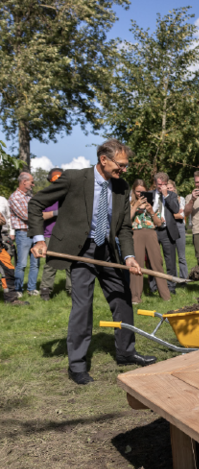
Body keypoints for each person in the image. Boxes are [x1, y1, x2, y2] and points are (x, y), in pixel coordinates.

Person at [29, 139, 157, 384]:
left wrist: (129, 257)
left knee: (122, 298)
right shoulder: (75, 178)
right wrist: (38, 239)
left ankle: (126, 352)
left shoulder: (121, 186)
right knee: (82, 306)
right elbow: (36, 203)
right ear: (103, 160)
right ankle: (76, 365)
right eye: (121, 165)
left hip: (107, 250)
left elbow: (124, 228)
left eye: (126, 165)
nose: (124, 169)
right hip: (80, 251)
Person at [129, 180, 171, 304]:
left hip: (151, 233)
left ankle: (165, 296)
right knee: (137, 265)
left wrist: (151, 211)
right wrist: (136, 206)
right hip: (136, 233)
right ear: (134, 191)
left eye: (143, 191)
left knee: (157, 263)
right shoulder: (130, 204)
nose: (140, 193)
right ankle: (135, 297)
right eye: (138, 191)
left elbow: (159, 223)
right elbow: (126, 220)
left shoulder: (152, 203)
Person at [40, 168, 73, 300]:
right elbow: (39, 215)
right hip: (50, 234)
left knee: (71, 263)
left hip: (69, 234)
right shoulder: (45, 195)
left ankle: (72, 289)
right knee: (50, 264)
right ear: (50, 181)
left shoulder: (70, 195)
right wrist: (55, 213)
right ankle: (45, 290)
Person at [9, 172, 40, 296]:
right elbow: (26, 216)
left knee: (35, 263)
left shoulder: (28, 196)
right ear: (24, 182)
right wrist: (40, 216)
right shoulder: (15, 197)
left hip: (34, 232)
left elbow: (36, 211)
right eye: (31, 182)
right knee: (21, 264)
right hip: (23, 234)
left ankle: (31, 289)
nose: (33, 184)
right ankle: (18, 290)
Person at [151, 173, 181, 296]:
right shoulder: (150, 194)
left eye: (164, 184)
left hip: (167, 231)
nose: (161, 187)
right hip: (152, 231)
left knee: (170, 261)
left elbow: (175, 209)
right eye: (159, 184)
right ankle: (153, 286)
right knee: (153, 260)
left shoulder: (172, 195)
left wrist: (166, 195)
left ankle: (171, 286)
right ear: (155, 183)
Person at [167, 180, 189, 282]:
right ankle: (173, 279)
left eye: (170, 187)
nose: (169, 190)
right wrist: (174, 214)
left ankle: (184, 279)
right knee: (171, 256)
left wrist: (169, 215)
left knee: (181, 256)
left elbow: (181, 215)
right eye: (167, 188)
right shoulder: (164, 200)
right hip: (169, 227)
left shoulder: (181, 199)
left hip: (179, 227)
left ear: (174, 188)